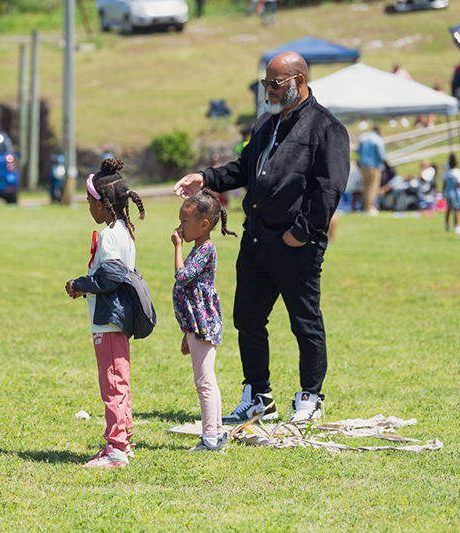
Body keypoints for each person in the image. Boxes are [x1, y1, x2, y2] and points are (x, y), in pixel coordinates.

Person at [173, 51, 349, 424]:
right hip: (255, 242)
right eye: (266, 83)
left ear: (298, 81)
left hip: (295, 245)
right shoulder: (266, 125)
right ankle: (258, 395)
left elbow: (329, 190)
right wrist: (205, 178)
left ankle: (309, 397)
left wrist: (300, 234)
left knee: (304, 321)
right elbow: (242, 169)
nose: (268, 90)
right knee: (248, 319)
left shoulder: (326, 128)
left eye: (275, 83)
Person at [65, 158, 147, 468]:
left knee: (113, 384)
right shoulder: (121, 229)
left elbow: (110, 276)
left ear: (103, 205)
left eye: (89, 201)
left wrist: (80, 283)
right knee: (118, 382)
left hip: (110, 321)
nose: (88, 206)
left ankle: (116, 451)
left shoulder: (112, 234)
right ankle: (122, 440)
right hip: (114, 320)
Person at [171, 190, 236, 452]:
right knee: (206, 379)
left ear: (204, 224)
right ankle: (216, 434)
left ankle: (210, 438)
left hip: (203, 322)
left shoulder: (206, 249)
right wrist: (187, 332)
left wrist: (177, 247)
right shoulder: (199, 247)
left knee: (204, 381)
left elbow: (183, 277)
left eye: (185, 222)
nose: (180, 227)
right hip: (197, 324)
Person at [358, 126, 386, 216]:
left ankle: (364, 206)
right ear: (377, 131)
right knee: (373, 187)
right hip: (374, 166)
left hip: (363, 166)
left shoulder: (363, 137)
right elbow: (381, 155)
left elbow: (358, 151)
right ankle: (370, 207)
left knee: (365, 186)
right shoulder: (377, 139)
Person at [443, 154, 460, 234]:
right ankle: (456, 226)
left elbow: (444, 184)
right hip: (454, 193)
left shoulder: (446, 173)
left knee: (449, 209)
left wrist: (443, 192)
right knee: (456, 209)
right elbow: (459, 184)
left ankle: (447, 226)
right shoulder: (458, 172)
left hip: (447, 193)